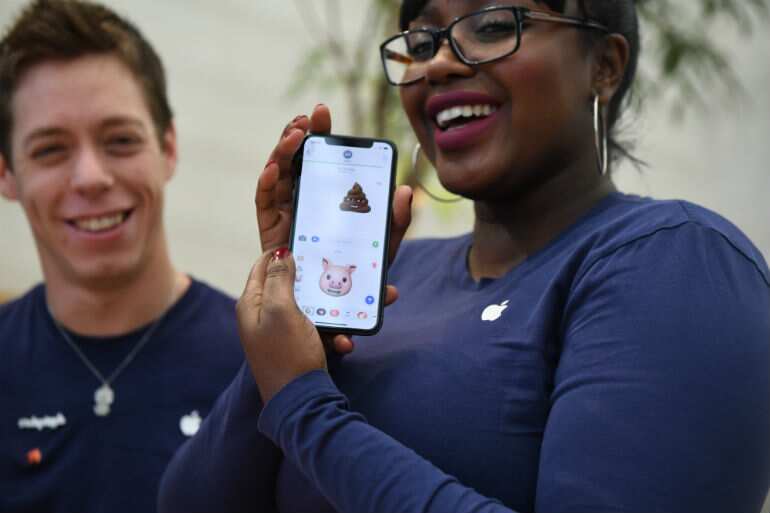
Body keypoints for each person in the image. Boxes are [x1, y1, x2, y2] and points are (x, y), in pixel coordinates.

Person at [158, 1, 770, 512]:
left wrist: (304, 404)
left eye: (494, 26)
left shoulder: (675, 261)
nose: (442, 61)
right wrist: (290, 333)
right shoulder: (396, 278)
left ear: (604, 66)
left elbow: (303, 408)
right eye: (422, 41)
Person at [0, 1, 243, 512]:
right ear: (6, 174)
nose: (91, 177)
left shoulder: (258, 370)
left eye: (120, 140)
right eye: (50, 149)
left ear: (168, 147)